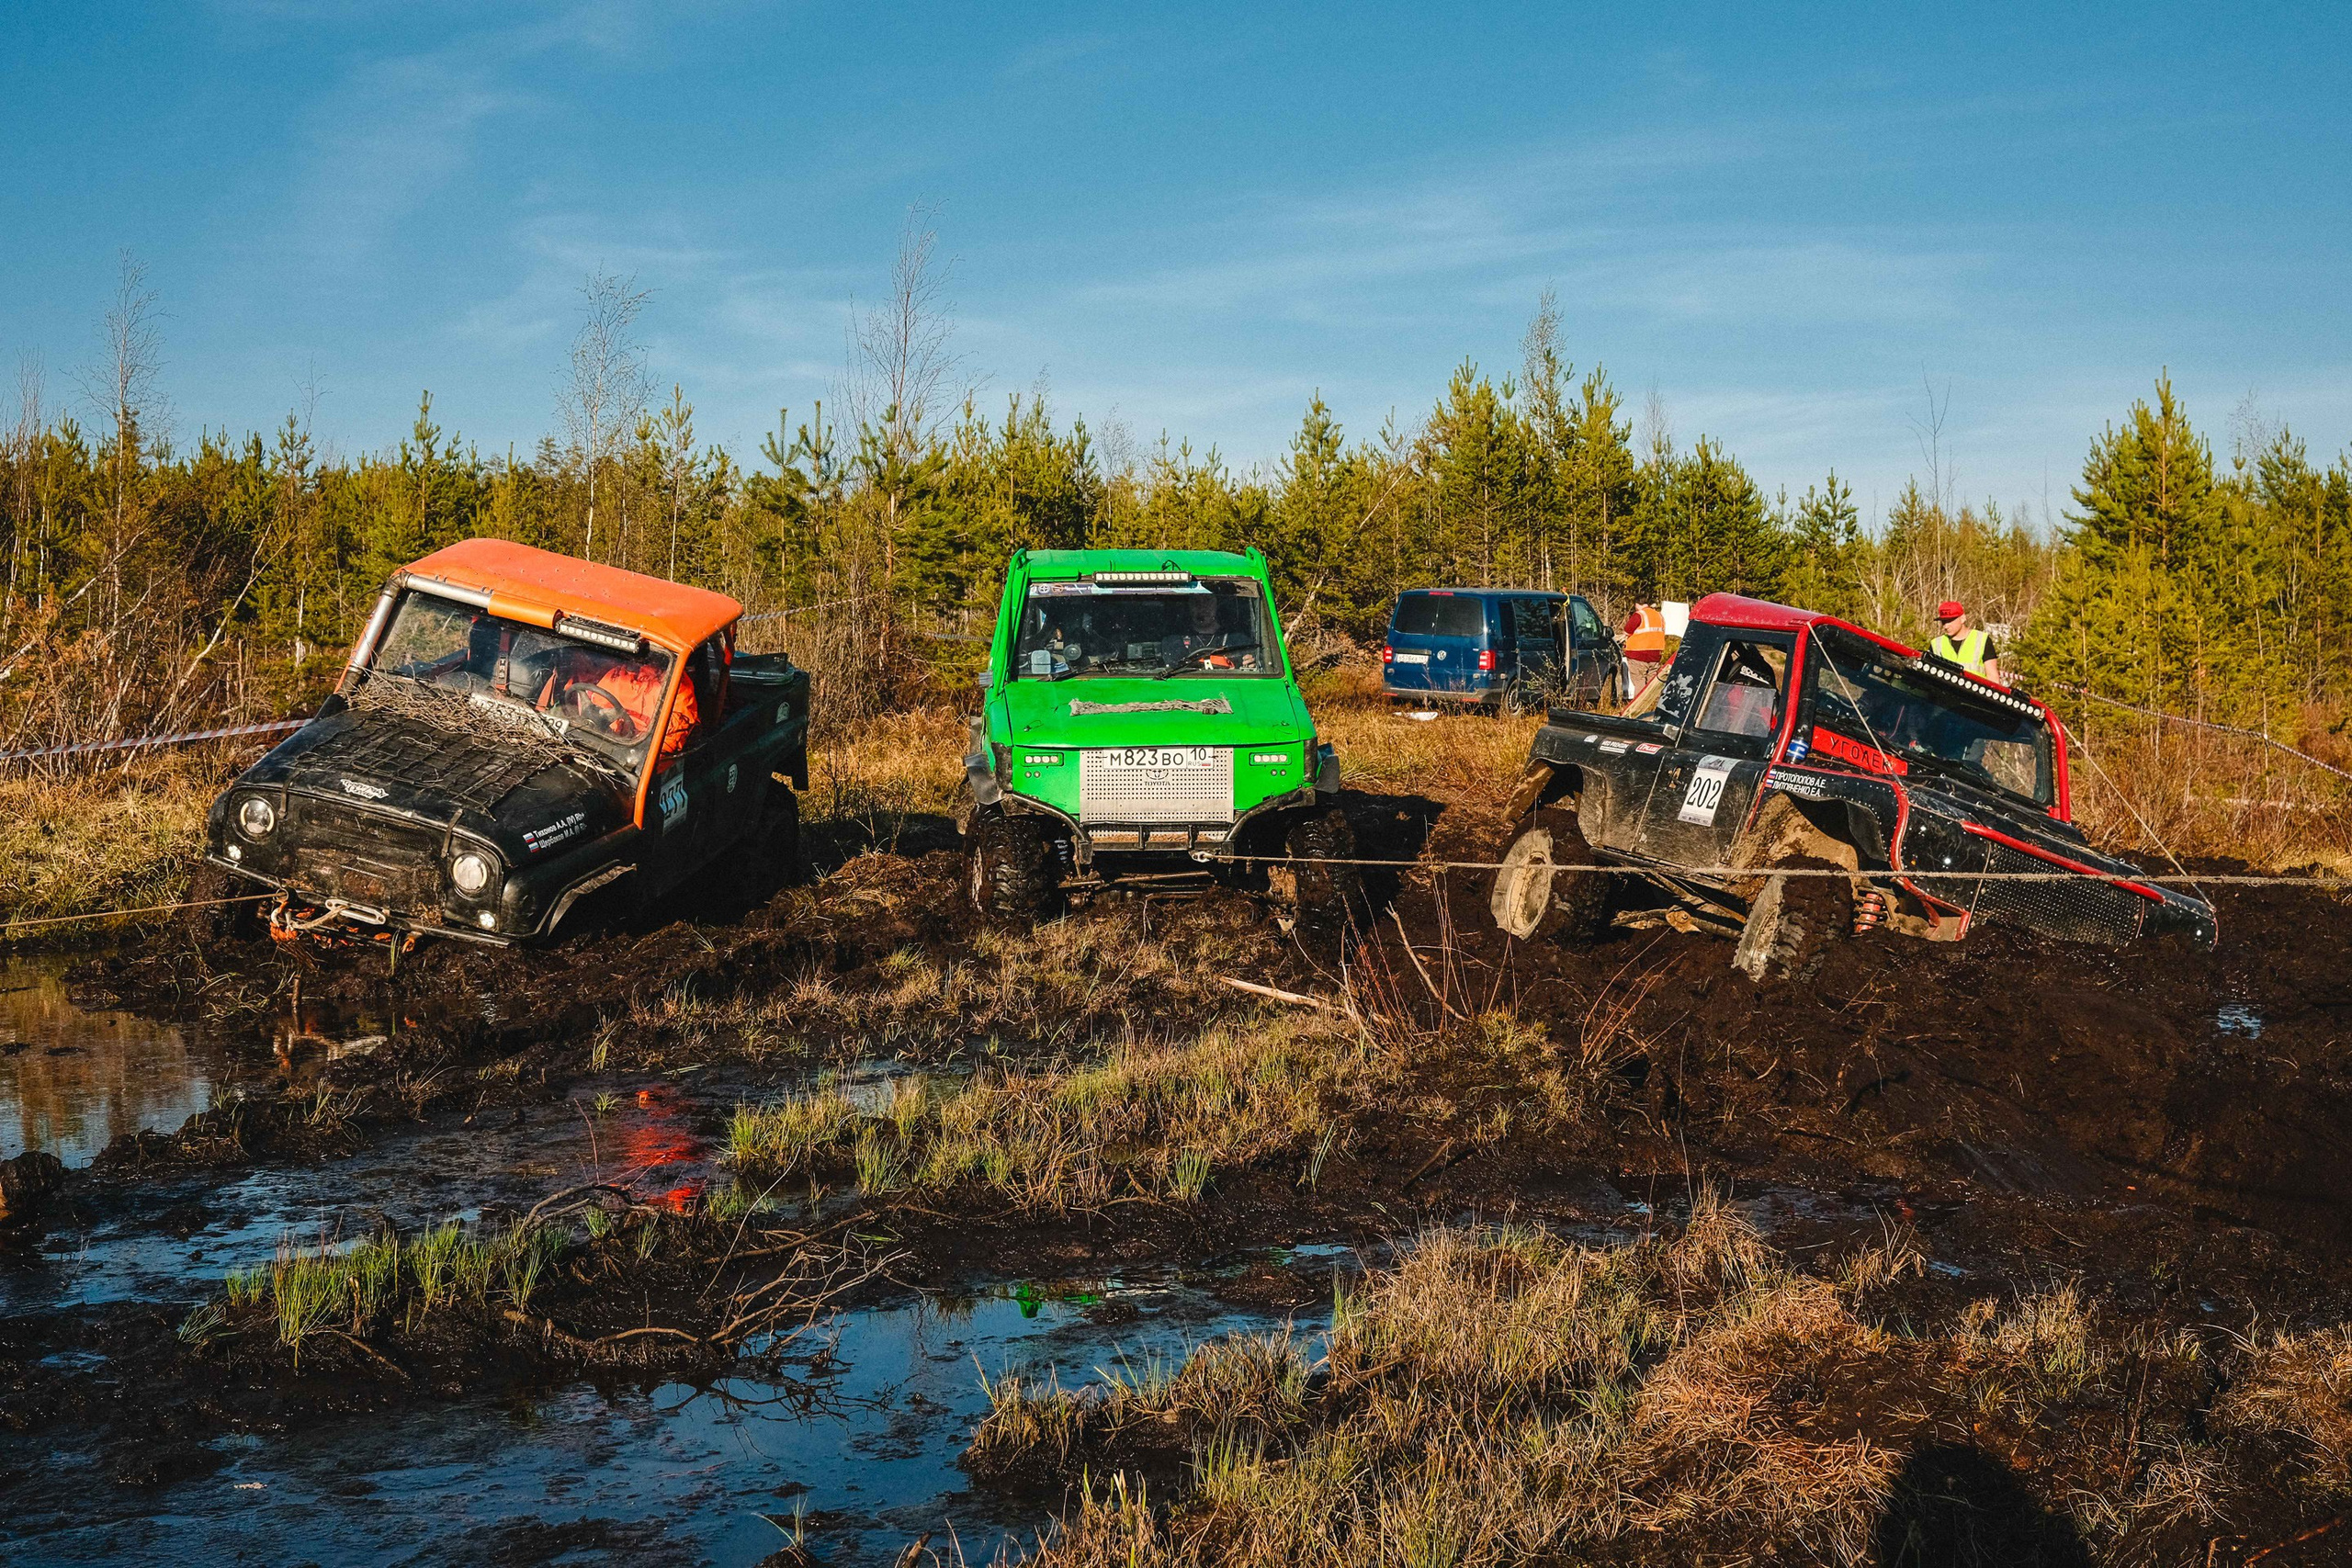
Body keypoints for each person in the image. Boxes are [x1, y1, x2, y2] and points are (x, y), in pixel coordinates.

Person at [1929, 601, 2003, 684]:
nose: (1946, 626)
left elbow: (1993, 678)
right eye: (1943, 622)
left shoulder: (1982, 639)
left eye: (1949, 621)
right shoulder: (1936, 644)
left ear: (1963, 619)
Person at [1622, 604, 1666, 695]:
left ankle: (1640, 703)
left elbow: (1627, 631)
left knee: (1639, 682)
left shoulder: (1639, 615)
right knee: (1652, 683)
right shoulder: (1659, 615)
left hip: (1637, 654)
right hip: (1655, 655)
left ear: (1637, 604)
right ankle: (1653, 702)